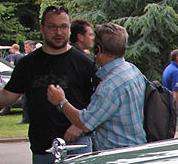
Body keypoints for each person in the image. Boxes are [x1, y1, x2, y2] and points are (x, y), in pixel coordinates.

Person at [0, 5, 97, 164]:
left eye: (63, 27)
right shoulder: (28, 64)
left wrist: (79, 126)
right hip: (43, 147)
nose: (59, 32)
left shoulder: (84, 62)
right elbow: (7, 97)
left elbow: (98, 103)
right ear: (42, 28)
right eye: (52, 27)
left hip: (77, 145)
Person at [46, 22, 146, 151]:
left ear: (98, 49)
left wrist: (61, 102)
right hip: (135, 148)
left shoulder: (110, 87)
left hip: (116, 155)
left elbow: (85, 123)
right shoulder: (132, 70)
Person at [161, 49, 178, 130]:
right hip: (174, 106)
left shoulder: (169, 68)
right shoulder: (175, 72)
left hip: (168, 104)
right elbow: (176, 91)